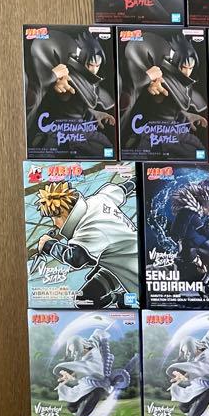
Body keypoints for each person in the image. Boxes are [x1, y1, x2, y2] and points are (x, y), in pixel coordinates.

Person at [29, 176, 137, 308]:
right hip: (115, 262)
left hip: (132, 269)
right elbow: (124, 188)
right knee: (84, 299)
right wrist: (135, 180)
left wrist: (49, 245)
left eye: (54, 218)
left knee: (85, 301)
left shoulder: (88, 228)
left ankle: (123, 299)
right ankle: (119, 298)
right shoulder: (98, 199)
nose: (55, 223)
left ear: (62, 212)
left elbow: (76, 259)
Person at [25, 29, 116, 157]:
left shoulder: (88, 83)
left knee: (108, 150)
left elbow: (76, 107)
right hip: (59, 131)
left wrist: (95, 113)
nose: (94, 70)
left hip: (80, 129)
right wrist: (57, 82)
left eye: (97, 65)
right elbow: (62, 98)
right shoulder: (68, 78)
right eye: (91, 64)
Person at [52, 325, 132, 416]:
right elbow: (95, 338)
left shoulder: (93, 359)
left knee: (93, 397)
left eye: (76, 351)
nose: (75, 354)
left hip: (99, 383)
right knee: (73, 404)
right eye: (73, 352)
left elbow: (86, 367)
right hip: (87, 382)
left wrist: (72, 374)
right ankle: (74, 408)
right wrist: (100, 333)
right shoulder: (90, 345)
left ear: (81, 346)